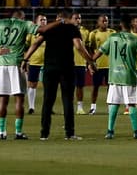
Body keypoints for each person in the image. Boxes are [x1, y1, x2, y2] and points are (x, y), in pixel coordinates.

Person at [25, 11, 97, 141]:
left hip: (50, 68)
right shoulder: (72, 28)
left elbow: (35, 43)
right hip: (66, 68)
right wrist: (91, 61)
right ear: (68, 18)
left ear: (57, 18)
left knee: (48, 100)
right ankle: (69, 133)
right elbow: (78, 46)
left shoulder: (49, 28)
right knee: (67, 100)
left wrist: (25, 59)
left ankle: (44, 134)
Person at [0, 8, 40, 139]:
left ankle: (2, 132)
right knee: (19, 100)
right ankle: (18, 132)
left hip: (1, 65)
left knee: (3, 100)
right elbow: (41, 30)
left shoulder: (0, 22)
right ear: (22, 17)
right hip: (16, 64)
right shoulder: (24, 24)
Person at [86, 14, 113, 115]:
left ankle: (110, 107)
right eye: (103, 21)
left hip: (110, 65)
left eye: (106, 21)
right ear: (98, 22)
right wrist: (91, 63)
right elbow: (89, 49)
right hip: (98, 65)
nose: (105, 23)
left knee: (110, 87)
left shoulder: (112, 33)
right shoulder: (93, 34)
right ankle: (93, 107)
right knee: (95, 87)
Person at [25, 15, 47, 115]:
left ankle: (48, 107)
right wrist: (26, 60)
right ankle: (31, 107)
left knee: (48, 85)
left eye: (45, 20)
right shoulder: (31, 34)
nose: (43, 21)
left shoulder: (50, 32)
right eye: (41, 20)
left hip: (47, 63)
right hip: (34, 62)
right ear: (36, 22)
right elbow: (26, 46)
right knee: (32, 84)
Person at [70, 14, 91, 114]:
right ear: (71, 19)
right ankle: (69, 107)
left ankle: (80, 108)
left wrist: (89, 62)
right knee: (69, 87)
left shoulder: (85, 32)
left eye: (79, 18)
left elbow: (87, 47)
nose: (78, 20)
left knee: (80, 86)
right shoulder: (67, 30)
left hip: (81, 63)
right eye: (76, 18)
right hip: (69, 63)